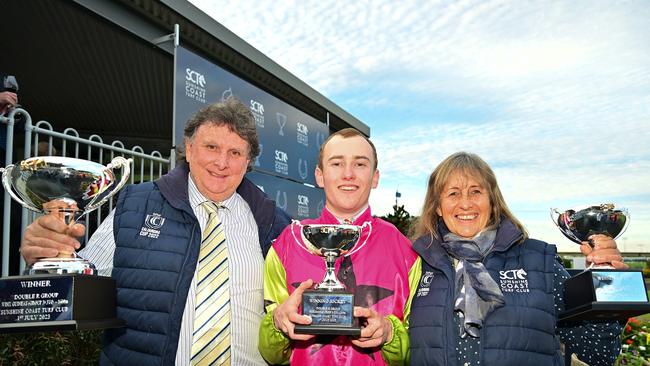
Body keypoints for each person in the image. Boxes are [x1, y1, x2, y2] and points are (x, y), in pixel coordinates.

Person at [20, 97, 291, 365]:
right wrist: (50, 258)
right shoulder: (134, 205)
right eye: (211, 147)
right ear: (189, 147)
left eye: (235, 153)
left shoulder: (274, 225)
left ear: (248, 161)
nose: (222, 162)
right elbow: (82, 291)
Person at [408, 151, 624, 366]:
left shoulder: (540, 262)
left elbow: (598, 354)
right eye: (453, 193)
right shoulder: (418, 265)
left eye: (475, 191)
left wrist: (605, 284)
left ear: (492, 202)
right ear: (437, 206)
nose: (465, 204)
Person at [258, 128, 420, 365]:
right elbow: (270, 354)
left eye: (360, 164)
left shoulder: (405, 251)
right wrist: (277, 324)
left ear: (375, 177)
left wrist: (389, 333)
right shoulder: (288, 243)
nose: (348, 174)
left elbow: (422, 349)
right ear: (319, 176)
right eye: (336, 164)